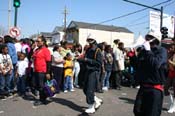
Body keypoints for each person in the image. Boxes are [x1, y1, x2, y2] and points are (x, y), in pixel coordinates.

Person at [133, 30, 168, 116]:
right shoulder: (144, 51)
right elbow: (138, 66)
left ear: (155, 39)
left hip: (155, 89)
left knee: (152, 113)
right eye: (147, 37)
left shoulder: (161, 51)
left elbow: (156, 64)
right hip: (143, 87)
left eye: (150, 38)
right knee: (137, 111)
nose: (147, 39)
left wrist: (148, 51)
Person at [83, 38, 103, 114]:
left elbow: (99, 63)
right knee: (85, 89)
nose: (89, 41)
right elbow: (85, 58)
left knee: (90, 89)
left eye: (90, 40)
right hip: (87, 70)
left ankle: (91, 106)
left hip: (94, 71)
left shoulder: (98, 50)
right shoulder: (88, 49)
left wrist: (87, 60)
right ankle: (97, 100)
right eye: (88, 40)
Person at [32, 35, 51, 106]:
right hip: (36, 70)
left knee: (41, 86)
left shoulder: (46, 50)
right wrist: (32, 49)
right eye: (36, 41)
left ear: (43, 42)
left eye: (38, 41)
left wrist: (48, 72)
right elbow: (31, 57)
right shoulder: (37, 50)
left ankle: (42, 99)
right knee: (34, 84)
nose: (37, 42)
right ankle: (44, 97)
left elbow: (49, 62)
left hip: (42, 71)